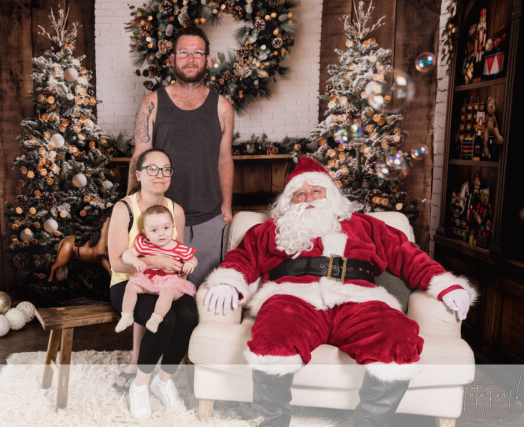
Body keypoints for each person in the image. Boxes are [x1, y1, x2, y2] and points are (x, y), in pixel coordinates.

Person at [203, 157, 477, 427]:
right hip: (293, 297)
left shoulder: (366, 225)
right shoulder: (270, 230)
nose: (308, 198)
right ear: (289, 201)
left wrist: (444, 283)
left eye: (316, 191)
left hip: (359, 299)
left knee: (397, 338)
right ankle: (274, 422)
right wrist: (229, 281)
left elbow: (407, 255)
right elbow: (243, 257)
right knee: (274, 336)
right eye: (300, 194)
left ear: (330, 194)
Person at [129, 25, 234, 288]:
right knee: (160, 292)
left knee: (204, 293)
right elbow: (140, 155)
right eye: (184, 52)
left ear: (207, 60)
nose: (190, 58)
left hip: (208, 218)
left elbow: (225, 159)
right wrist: (130, 205)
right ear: (172, 59)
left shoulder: (222, 107)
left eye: (197, 53)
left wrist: (227, 206)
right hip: (160, 218)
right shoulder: (152, 103)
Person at [108, 148, 198, 420]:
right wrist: (153, 260)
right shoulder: (124, 208)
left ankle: (164, 379)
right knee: (165, 320)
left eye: (166, 169)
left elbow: (178, 253)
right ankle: (140, 384)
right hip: (130, 283)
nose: (160, 174)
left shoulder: (175, 210)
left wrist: (181, 271)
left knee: (189, 316)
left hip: (167, 282)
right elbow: (116, 263)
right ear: (139, 174)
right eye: (152, 169)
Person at [115, 205, 198, 334]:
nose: (161, 233)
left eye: (166, 228)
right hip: (149, 280)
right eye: (154, 230)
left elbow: (193, 258)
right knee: (131, 286)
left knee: (168, 291)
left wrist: (191, 263)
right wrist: (135, 260)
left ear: (173, 228)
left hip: (170, 281)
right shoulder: (146, 244)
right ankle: (126, 315)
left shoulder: (179, 248)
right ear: (146, 233)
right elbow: (126, 254)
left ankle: (156, 318)